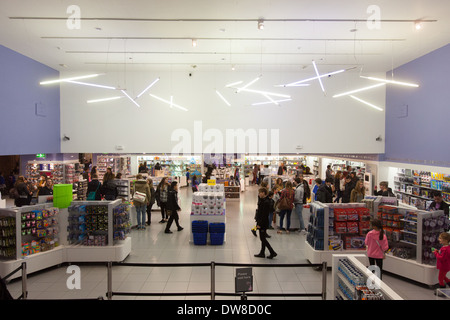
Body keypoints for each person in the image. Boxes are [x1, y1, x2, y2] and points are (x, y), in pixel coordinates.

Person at [254, 187, 277, 259]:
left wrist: (259, 224)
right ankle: (262, 252)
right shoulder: (263, 200)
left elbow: (263, 215)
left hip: (263, 223)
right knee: (262, 238)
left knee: (263, 238)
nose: (259, 194)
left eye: (260, 192)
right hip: (262, 222)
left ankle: (272, 252)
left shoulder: (266, 202)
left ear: (263, 193)